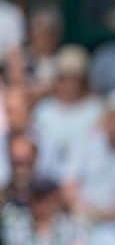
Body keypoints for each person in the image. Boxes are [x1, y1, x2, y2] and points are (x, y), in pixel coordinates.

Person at [62, 87, 115, 219]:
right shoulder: (85, 142)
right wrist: (83, 210)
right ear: (107, 117)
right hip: (81, 216)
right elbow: (69, 184)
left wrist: (113, 215)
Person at [30, 45, 103, 181]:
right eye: (64, 78)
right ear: (56, 80)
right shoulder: (43, 110)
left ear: (83, 80)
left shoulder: (96, 109)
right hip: (44, 184)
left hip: (83, 184)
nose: (69, 84)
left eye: (74, 79)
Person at [0, 178, 85, 245]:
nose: (44, 204)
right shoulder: (16, 226)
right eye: (38, 198)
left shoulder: (70, 226)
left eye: (49, 198)